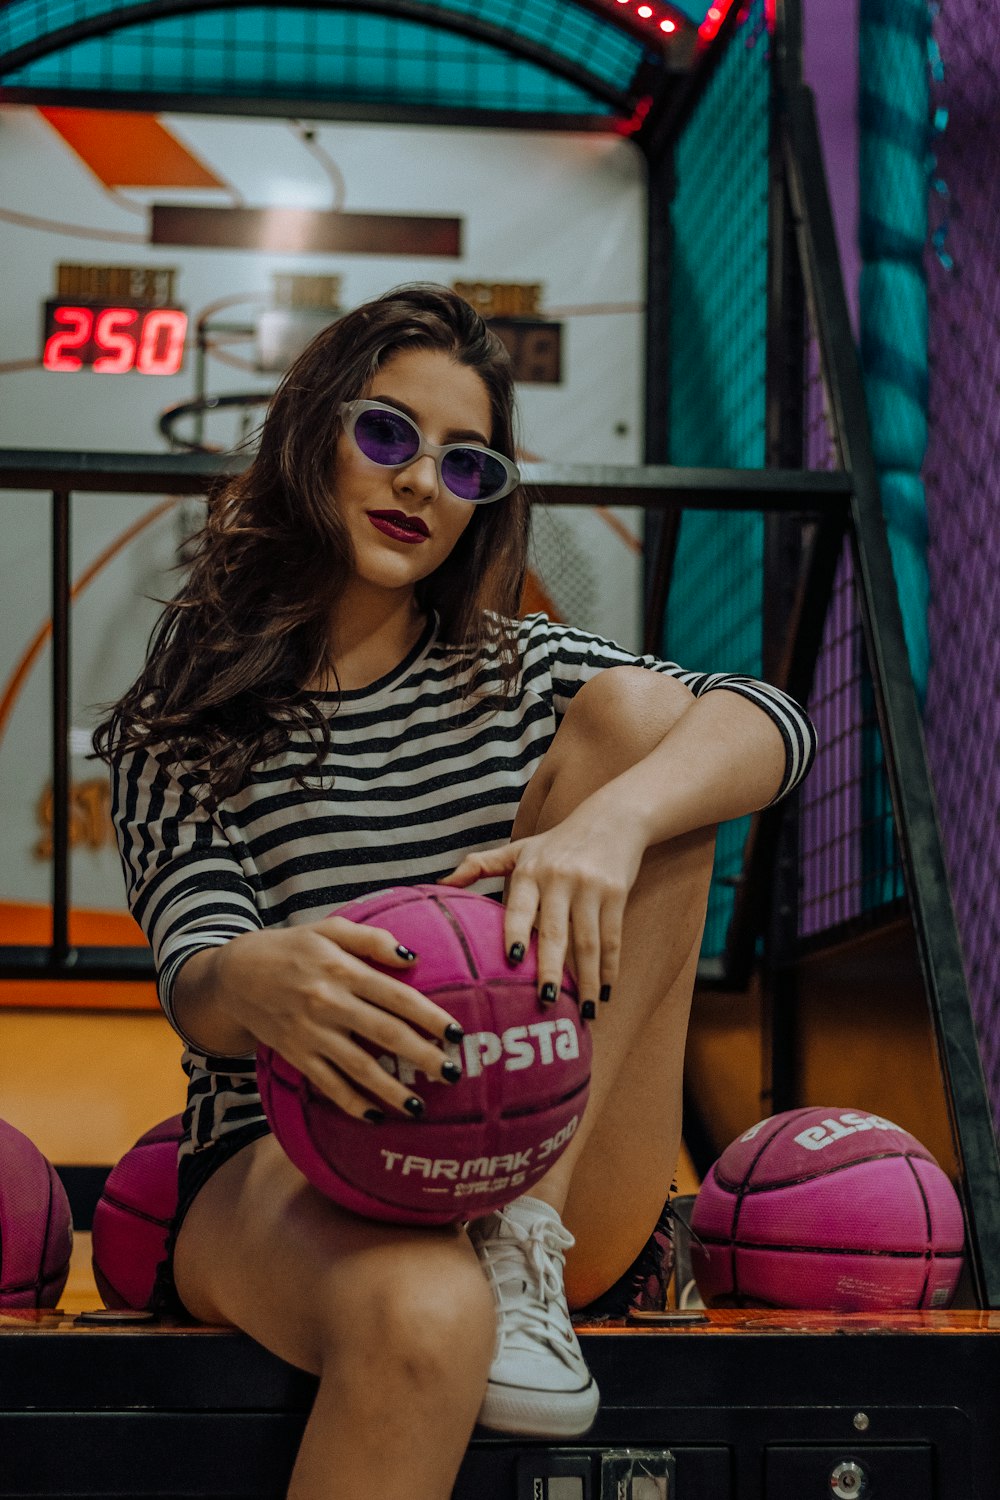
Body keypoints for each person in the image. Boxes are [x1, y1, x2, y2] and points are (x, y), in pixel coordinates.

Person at [93, 283, 815, 1500]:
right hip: (292, 1158)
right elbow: (198, 979)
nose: (420, 481)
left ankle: (519, 1247)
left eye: (465, 462)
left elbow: (771, 723)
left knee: (654, 728)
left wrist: (608, 825)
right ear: (307, 433)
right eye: (386, 435)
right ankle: (475, 1279)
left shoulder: (519, 669)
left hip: (552, 1164)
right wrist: (256, 977)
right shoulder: (182, 730)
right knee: (425, 1316)